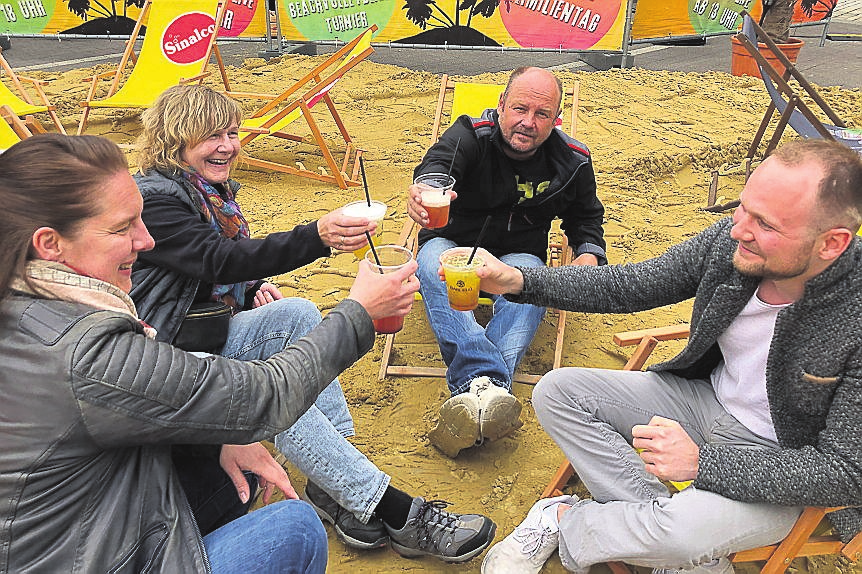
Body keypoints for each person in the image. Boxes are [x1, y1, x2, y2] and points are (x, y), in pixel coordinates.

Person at [0, 134, 419, 572]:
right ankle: (378, 501)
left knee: (244, 436)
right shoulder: (84, 351)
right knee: (294, 528)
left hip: (84, 508)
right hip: (92, 553)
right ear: (49, 244)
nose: (146, 241)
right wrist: (360, 312)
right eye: (123, 228)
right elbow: (264, 395)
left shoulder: (31, 305)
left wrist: (210, 438)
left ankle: (334, 471)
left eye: (232, 132)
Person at [130, 84, 497, 562]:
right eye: (211, 135)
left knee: (298, 314)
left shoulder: (205, 190)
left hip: (205, 328)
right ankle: (397, 512)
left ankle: (333, 478)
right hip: (170, 351)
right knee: (281, 393)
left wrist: (252, 284)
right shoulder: (156, 198)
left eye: (233, 133)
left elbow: (211, 263)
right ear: (176, 139)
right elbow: (213, 258)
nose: (227, 145)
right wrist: (318, 236)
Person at [474, 139, 862, 573]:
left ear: (832, 243)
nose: (738, 229)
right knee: (558, 391)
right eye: (742, 207)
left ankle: (565, 519)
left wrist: (704, 463)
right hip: (702, 401)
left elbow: (846, 472)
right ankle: (663, 537)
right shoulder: (732, 244)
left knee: (681, 536)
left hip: (781, 461)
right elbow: (634, 284)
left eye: (766, 225)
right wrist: (518, 281)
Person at [407, 66, 607, 457]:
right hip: (455, 242)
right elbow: (437, 168)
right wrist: (426, 190)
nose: (527, 122)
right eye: (519, 108)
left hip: (517, 254)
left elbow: (586, 219)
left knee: (532, 284)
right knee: (431, 262)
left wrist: (587, 255)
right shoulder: (470, 134)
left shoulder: (573, 162)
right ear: (500, 106)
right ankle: (491, 387)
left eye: (542, 114)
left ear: (556, 119)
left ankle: (473, 393)